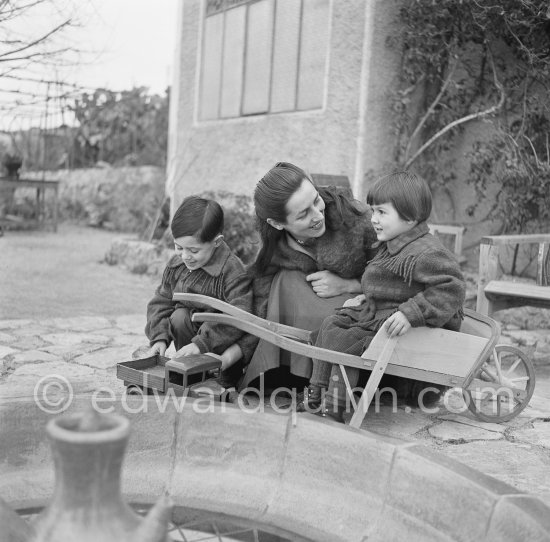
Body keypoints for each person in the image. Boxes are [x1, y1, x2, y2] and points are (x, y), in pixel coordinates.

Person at [303, 171, 466, 422]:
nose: (373, 220)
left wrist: (411, 313)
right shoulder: (395, 243)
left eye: (381, 212)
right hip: (380, 312)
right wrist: (366, 298)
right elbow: (389, 284)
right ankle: (317, 391)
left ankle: (333, 407)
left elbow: (451, 289)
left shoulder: (427, 253)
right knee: (330, 324)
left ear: (410, 217)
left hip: (403, 323)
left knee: (347, 340)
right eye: (373, 211)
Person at [242, 161, 378, 389]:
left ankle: (335, 379)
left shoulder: (356, 218)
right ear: (276, 223)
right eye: (304, 213)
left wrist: (351, 285)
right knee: (282, 281)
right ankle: (286, 375)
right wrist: (236, 353)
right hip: (318, 311)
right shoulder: (276, 247)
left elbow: (396, 271)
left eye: (316, 201)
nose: (318, 215)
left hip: (363, 311)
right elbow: (258, 302)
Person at [145, 195, 253, 391]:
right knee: (179, 316)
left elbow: (238, 316)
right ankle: (188, 371)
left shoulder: (232, 272)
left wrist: (202, 344)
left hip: (221, 351)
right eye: (179, 247)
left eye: (194, 251)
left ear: (217, 242)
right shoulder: (177, 265)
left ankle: (219, 378)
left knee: (197, 321)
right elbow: (161, 301)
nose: (185, 256)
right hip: (190, 342)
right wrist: (159, 337)